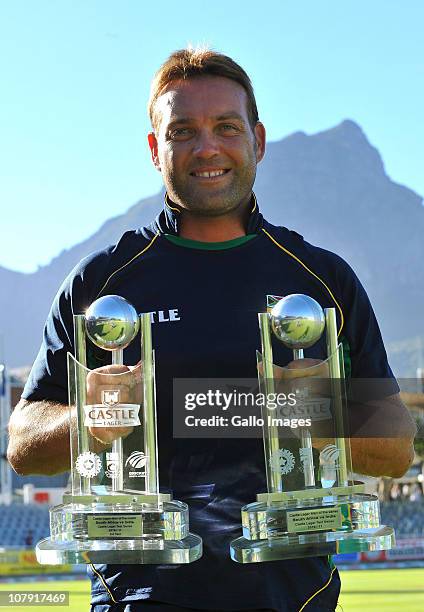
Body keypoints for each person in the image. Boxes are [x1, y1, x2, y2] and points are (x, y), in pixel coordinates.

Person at [8, 48, 416, 611]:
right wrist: (87, 417)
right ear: (155, 149)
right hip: (137, 600)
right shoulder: (101, 284)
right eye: (182, 131)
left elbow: (395, 446)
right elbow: (23, 443)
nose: (207, 148)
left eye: (226, 126)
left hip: (294, 600)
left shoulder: (322, 280)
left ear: (258, 139)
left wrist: (319, 415)